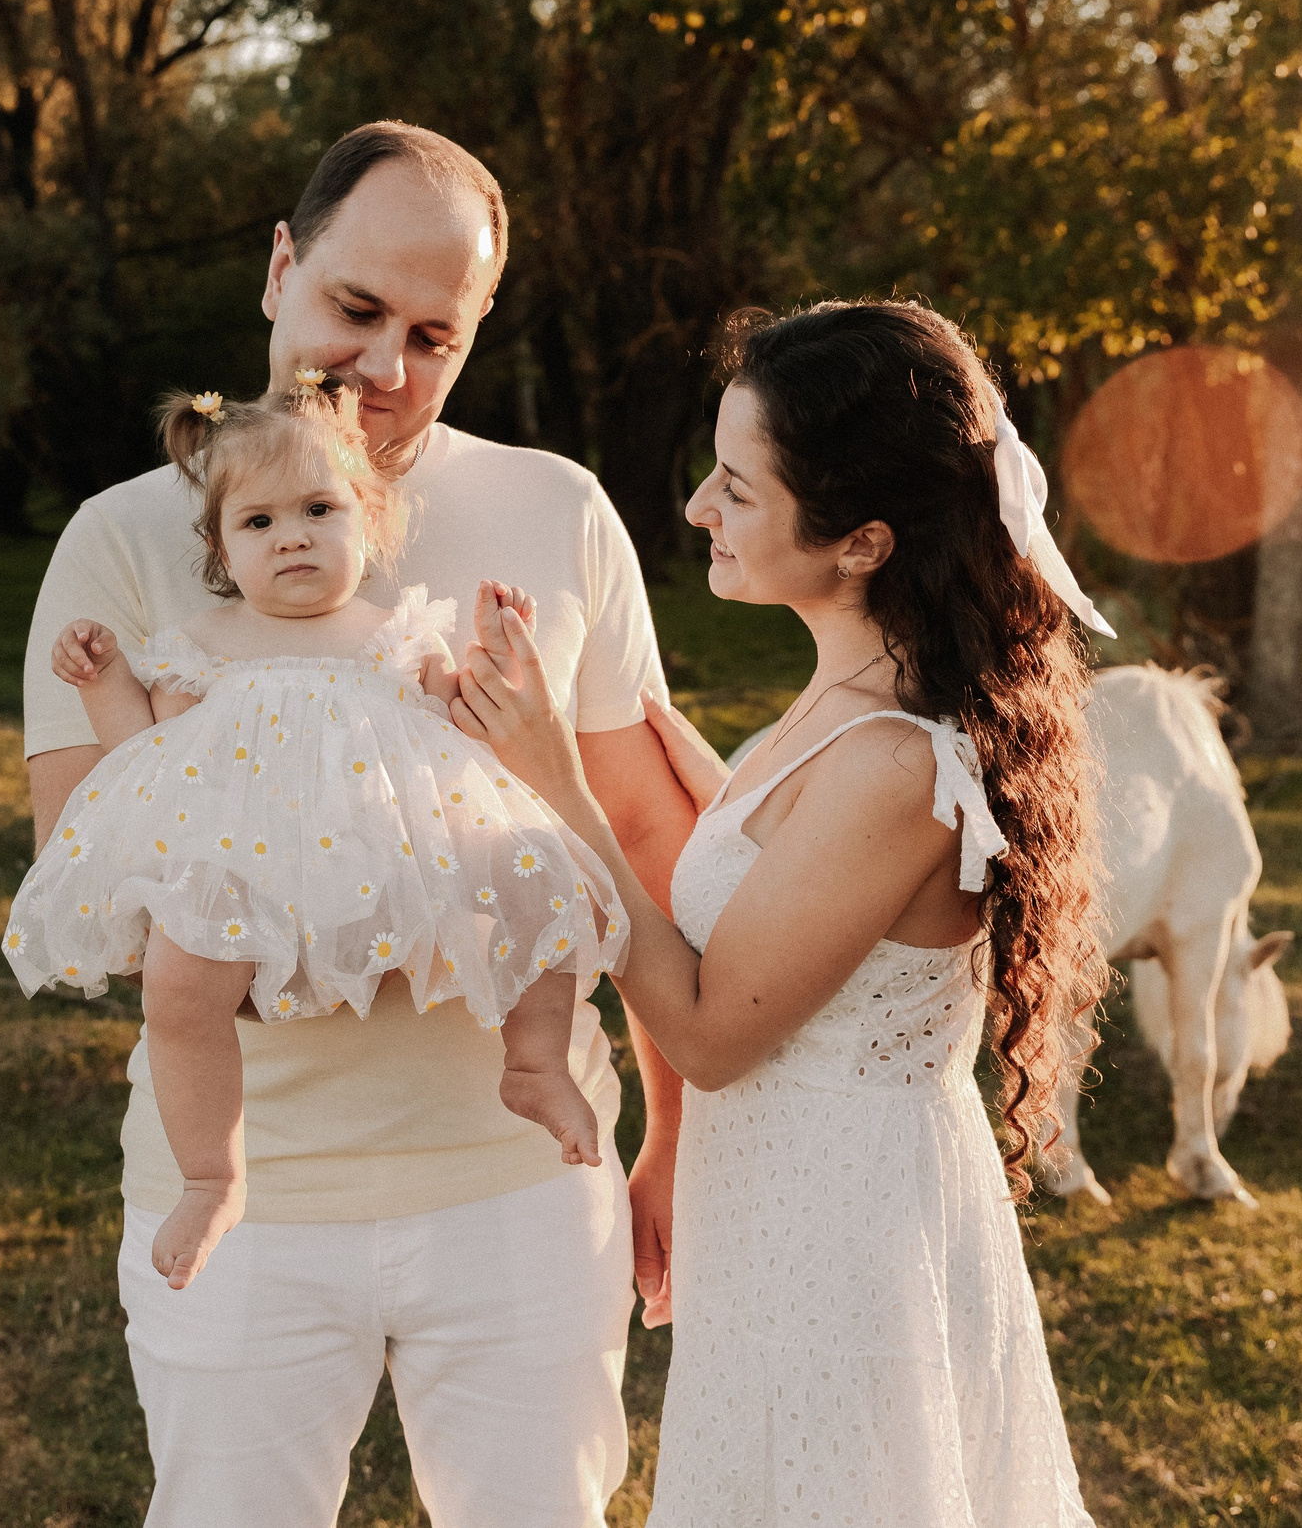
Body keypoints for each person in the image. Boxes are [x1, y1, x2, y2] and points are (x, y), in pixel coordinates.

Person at [18, 121, 699, 1528]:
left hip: (524, 1189)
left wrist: (673, 1142)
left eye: (434, 333)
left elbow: (635, 846)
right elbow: (93, 851)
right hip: (247, 1207)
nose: (386, 365)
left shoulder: (556, 511)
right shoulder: (123, 539)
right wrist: (352, 931)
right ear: (280, 267)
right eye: (355, 308)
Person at [448, 299, 1113, 1526]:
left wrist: (561, 782)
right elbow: (764, 863)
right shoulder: (845, 707)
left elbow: (709, 1032)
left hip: (838, 1241)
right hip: (784, 1210)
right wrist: (636, 742)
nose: (700, 508)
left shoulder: (894, 765)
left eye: (736, 491)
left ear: (859, 541)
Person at [5, 374, 627, 1289]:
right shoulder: (199, 644)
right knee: (180, 983)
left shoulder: (397, 635)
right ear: (221, 549)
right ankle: (213, 1173)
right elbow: (143, 755)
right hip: (241, 875)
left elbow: (463, 729)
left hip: (391, 851)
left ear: (368, 523)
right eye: (258, 523)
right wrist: (101, 682)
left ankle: (535, 1061)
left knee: (536, 871)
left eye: (318, 509)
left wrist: (496, 652)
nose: (291, 534)